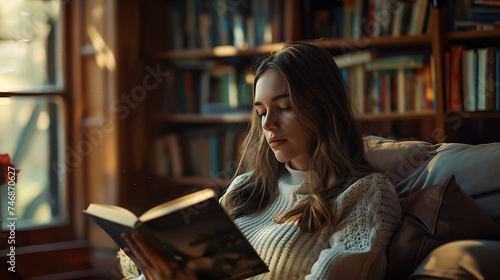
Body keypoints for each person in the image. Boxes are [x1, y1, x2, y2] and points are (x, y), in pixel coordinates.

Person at [120, 42, 403, 280]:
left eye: (284, 107)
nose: (269, 124)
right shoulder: (246, 187)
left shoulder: (366, 193)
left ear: (324, 108)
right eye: (261, 111)